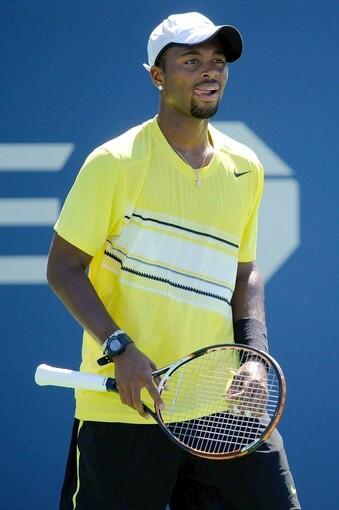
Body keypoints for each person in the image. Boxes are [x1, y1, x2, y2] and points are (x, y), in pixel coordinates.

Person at [47, 11, 301, 510]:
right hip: (126, 413)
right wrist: (121, 350)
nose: (210, 71)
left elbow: (244, 271)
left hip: (223, 412)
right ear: (157, 76)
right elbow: (63, 268)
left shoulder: (245, 167)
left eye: (218, 61)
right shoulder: (115, 163)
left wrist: (252, 354)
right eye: (191, 60)